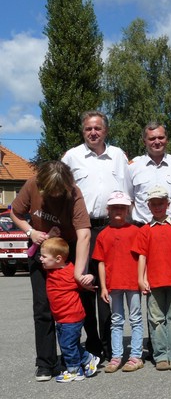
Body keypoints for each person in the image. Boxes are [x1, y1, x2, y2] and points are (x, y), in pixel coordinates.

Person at [11, 161, 91, 382]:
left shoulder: (74, 192)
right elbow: (15, 213)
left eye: (59, 191)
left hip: (67, 251)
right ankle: (45, 363)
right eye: (51, 191)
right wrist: (31, 232)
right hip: (42, 253)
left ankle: (74, 358)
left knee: (72, 306)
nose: (55, 194)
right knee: (43, 307)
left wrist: (79, 272)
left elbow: (84, 234)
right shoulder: (32, 184)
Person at [62, 110, 130, 361]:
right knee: (86, 286)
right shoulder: (72, 156)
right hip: (82, 229)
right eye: (89, 129)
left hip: (112, 228)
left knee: (109, 288)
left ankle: (110, 345)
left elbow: (128, 191)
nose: (93, 132)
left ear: (106, 131)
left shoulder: (118, 156)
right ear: (83, 131)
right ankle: (92, 343)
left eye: (98, 128)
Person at [132, 186, 171, 371]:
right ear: (149, 206)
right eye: (154, 204)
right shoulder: (145, 230)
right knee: (156, 320)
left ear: (168, 204)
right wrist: (141, 278)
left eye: (161, 203)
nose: (158, 207)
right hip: (154, 281)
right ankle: (161, 355)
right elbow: (142, 256)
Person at [93, 191, 143, 373]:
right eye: (115, 207)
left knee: (136, 319)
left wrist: (142, 279)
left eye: (122, 207)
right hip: (113, 284)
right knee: (116, 320)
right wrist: (104, 286)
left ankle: (136, 356)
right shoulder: (103, 234)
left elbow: (143, 258)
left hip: (133, 283)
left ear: (128, 210)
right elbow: (100, 262)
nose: (118, 210)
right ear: (108, 209)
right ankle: (116, 357)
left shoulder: (136, 231)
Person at [41, 237, 99, 382]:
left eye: (44, 256)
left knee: (67, 344)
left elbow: (84, 280)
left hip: (72, 317)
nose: (40, 259)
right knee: (69, 344)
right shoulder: (51, 270)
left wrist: (90, 277)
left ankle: (75, 371)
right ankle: (88, 359)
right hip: (61, 318)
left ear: (58, 258)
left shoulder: (71, 272)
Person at [128, 122, 171, 224]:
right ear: (144, 142)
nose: (157, 142)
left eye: (161, 137)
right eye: (152, 139)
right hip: (143, 228)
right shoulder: (132, 166)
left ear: (167, 139)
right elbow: (129, 200)